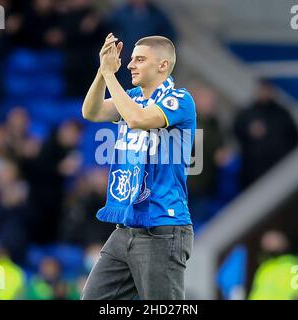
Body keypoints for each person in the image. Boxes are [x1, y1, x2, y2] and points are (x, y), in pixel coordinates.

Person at [81, 33, 196, 300]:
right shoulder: (132, 97)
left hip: (162, 227)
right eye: (131, 59)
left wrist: (111, 76)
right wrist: (102, 71)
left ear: (163, 66)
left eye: (139, 59)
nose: (131, 65)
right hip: (127, 223)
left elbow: (138, 119)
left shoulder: (180, 100)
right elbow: (92, 112)